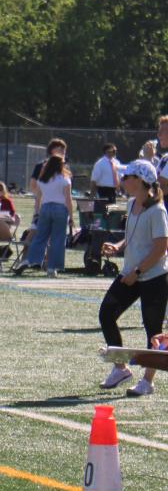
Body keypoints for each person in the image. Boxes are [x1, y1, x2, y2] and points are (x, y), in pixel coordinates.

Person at [97, 160, 168, 397]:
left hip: (153, 277)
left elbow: (161, 247)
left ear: (139, 180)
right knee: (106, 313)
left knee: (153, 332)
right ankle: (120, 369)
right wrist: (118, 246)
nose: (123, 180)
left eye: (127, 176)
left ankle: (147, 381)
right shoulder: (131, 203)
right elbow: (134, 236)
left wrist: (137, 272)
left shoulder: (157, 211)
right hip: (130, 274)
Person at [16, 152, 75, 277]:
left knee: (40, 237)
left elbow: (38, 199)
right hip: (60, 209)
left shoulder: (42, 179)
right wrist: (71, 216)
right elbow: (68, 199)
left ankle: (29, 260)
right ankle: (52, 268)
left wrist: (36, 214)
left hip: (45, 208)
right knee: (57, 239)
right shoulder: (65, 179)